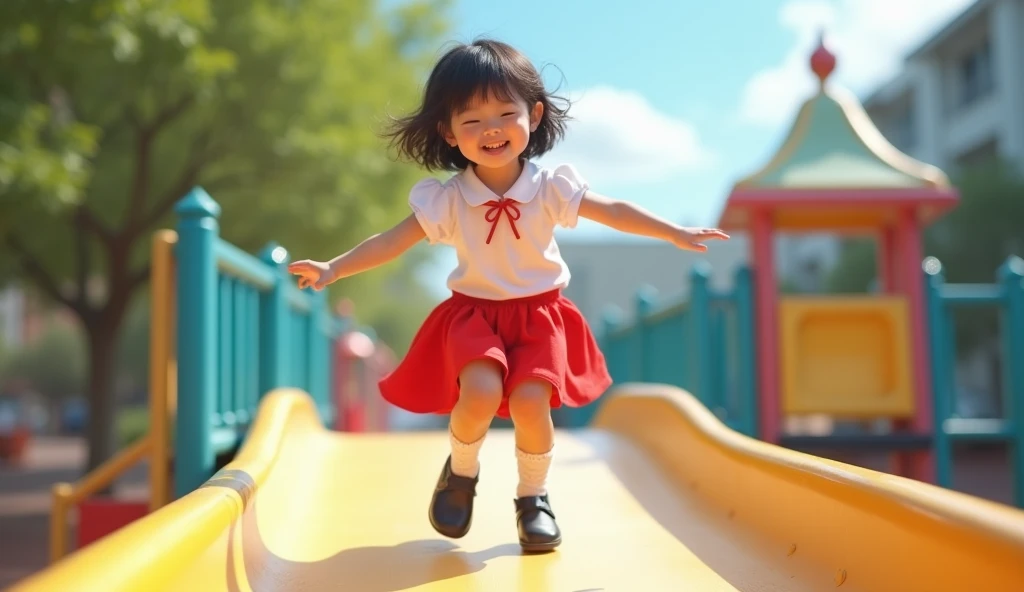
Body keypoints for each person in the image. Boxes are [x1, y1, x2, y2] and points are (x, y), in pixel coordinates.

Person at [287, 38, 729, 552]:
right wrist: (334, 268)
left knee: (531, 404)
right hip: (475, 316)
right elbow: (392, 241)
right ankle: (461, 473)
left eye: (504, 113)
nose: (490, 129)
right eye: (471, 120)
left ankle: (532, 499)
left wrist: (673, 231)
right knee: (478, 394)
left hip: (540, 316)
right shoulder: (449, 199)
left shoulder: (550, 188)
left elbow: (612, 210)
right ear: (448, 133)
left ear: (534, 115)